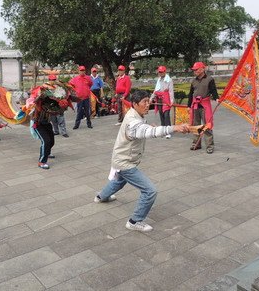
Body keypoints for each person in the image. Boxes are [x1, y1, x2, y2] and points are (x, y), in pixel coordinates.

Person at [94, 90, 190, 232]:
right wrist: (174, 128)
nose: (148, 104)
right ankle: (134, 221)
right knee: (150, 191)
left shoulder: (135, 114)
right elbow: (145, 131)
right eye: (144, 102)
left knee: (118, 181)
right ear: (134, 104)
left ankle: (100, 197)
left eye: (148, 101)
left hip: (123, 159)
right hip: (125, 162)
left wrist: (151, 128)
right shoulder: (133, 121)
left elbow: (143, 130)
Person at [187, 62, 219, 154]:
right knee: (195, 125)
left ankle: (209, 146)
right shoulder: (194, 81)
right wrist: (189, 106)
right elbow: (190, 94)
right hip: (195, 105)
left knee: (207, 125)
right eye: (194, 70)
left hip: (205, 105)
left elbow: (213, 90)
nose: (195, 71)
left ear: (202, 69)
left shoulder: (209, 79)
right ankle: (196, 143)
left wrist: (217, 98)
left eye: (196, 69)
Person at [150, 65, 175, 139]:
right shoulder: (159, 79)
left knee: (166, 115)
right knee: (161, 115)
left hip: (166, 99)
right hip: (159, 99)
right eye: (159, 72)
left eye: (161, 72)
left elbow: (171, 92)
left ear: (165, 71)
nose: (160, 73)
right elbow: (156, 90)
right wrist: (151, 98)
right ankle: (163, 131)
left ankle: (168, 131)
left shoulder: (169, 80)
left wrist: (171, 101)